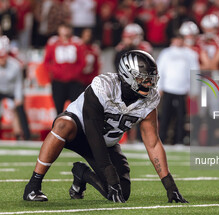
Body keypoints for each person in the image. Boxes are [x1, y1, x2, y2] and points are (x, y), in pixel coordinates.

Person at [23, 50, 188, 204]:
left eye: (150, 79)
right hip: (79, 131)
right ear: (127, 75)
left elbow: (153, 143)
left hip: (106, 143)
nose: (148, 84)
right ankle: (33, 186)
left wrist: (169, 184)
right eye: (142, 79)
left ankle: (82, 173)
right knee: (62, 125)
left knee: (122, 193)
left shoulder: (149, 100)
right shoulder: (104, 86)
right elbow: (92, 129)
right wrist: (109, 174)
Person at [157, 33, 200, 145]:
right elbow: (160, 69)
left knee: (181, 116)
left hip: (182, 89)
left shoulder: (190, 54)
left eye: (180, 39)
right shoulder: (166, 53)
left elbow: (195, 72)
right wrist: (158, 87)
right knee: (165, 115)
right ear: (173, 40)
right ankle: (162, 138)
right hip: (168, 88)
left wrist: (194, 89)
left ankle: (179, 139)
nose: (178, 41)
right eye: (176, 39)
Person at [43, 23, 86, 115]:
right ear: (58, 29)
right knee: (58, 109)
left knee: (76, 109)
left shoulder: (77, 43)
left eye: (67, 28)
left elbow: (82, 61)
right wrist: (55, 71)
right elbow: (46, 61)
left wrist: (74, 73)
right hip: (58, 81)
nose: (65, 30)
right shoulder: (53, 43)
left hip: (74, 82)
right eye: (63, 28)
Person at [0, 35, 30, 140]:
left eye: (3, 57)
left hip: (12, 91)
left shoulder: (15, 65)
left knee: (20, 107)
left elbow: (18, 83)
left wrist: (18, 98)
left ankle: (26, 136)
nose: (2, 60)